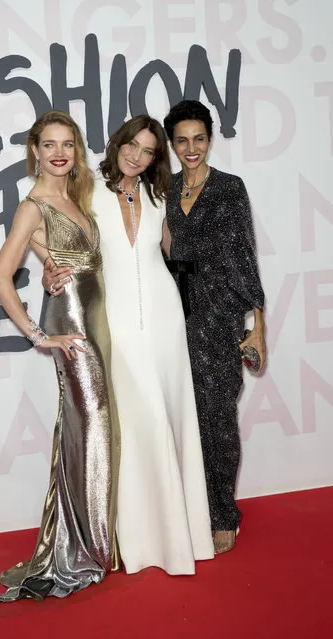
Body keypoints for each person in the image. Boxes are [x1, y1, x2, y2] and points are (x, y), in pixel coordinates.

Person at [44, 115, 214, 575]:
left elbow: (172, 251)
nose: (137, 156)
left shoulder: (160, 195)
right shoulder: (87, 189)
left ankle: (185, 532)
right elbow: (53, 227)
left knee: (171, 412)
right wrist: (48, 264)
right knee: (135, 421)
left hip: (163, 315)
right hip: (115, 317)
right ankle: (136, 539)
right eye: (131, 145)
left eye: (148, 150)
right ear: (116, 143)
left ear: (156, 157)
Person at [0, 110, 120, 602]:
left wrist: (47, 265)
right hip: (71, 330)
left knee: (87, 429)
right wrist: (38, 335)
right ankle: (87, 548)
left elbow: (65, 260)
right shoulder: (33, 205)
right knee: (93, 425)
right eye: (49, 145)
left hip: (97, 326)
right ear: (35, 151)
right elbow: (0, 279)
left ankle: (87, 536)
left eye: (68, 144)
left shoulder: (74, 197)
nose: (60, 152)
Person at [163, 99, 266, 554]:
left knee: (218, 419)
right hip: (171, 312)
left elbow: (244, 258)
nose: (191, 148)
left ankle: (224, 514)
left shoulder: (229, 188)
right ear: (171, 144)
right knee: (181, 417)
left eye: (199, 139)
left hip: (218, 315)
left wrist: (256, 324)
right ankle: (191, 506)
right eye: (182, 140)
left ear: (210, 139)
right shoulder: (163, 189)